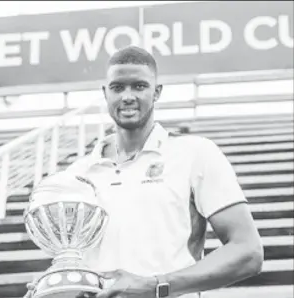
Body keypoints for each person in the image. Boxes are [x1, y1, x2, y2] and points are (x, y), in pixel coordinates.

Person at [24, 46, 263, 298]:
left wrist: (155, 286)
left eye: (139, 86)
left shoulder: (195, 153)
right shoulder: (79, 172)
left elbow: (248, 252)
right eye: (117, 87)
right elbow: (76, 261)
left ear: (156, 92)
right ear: (105, 93)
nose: (127, 96)